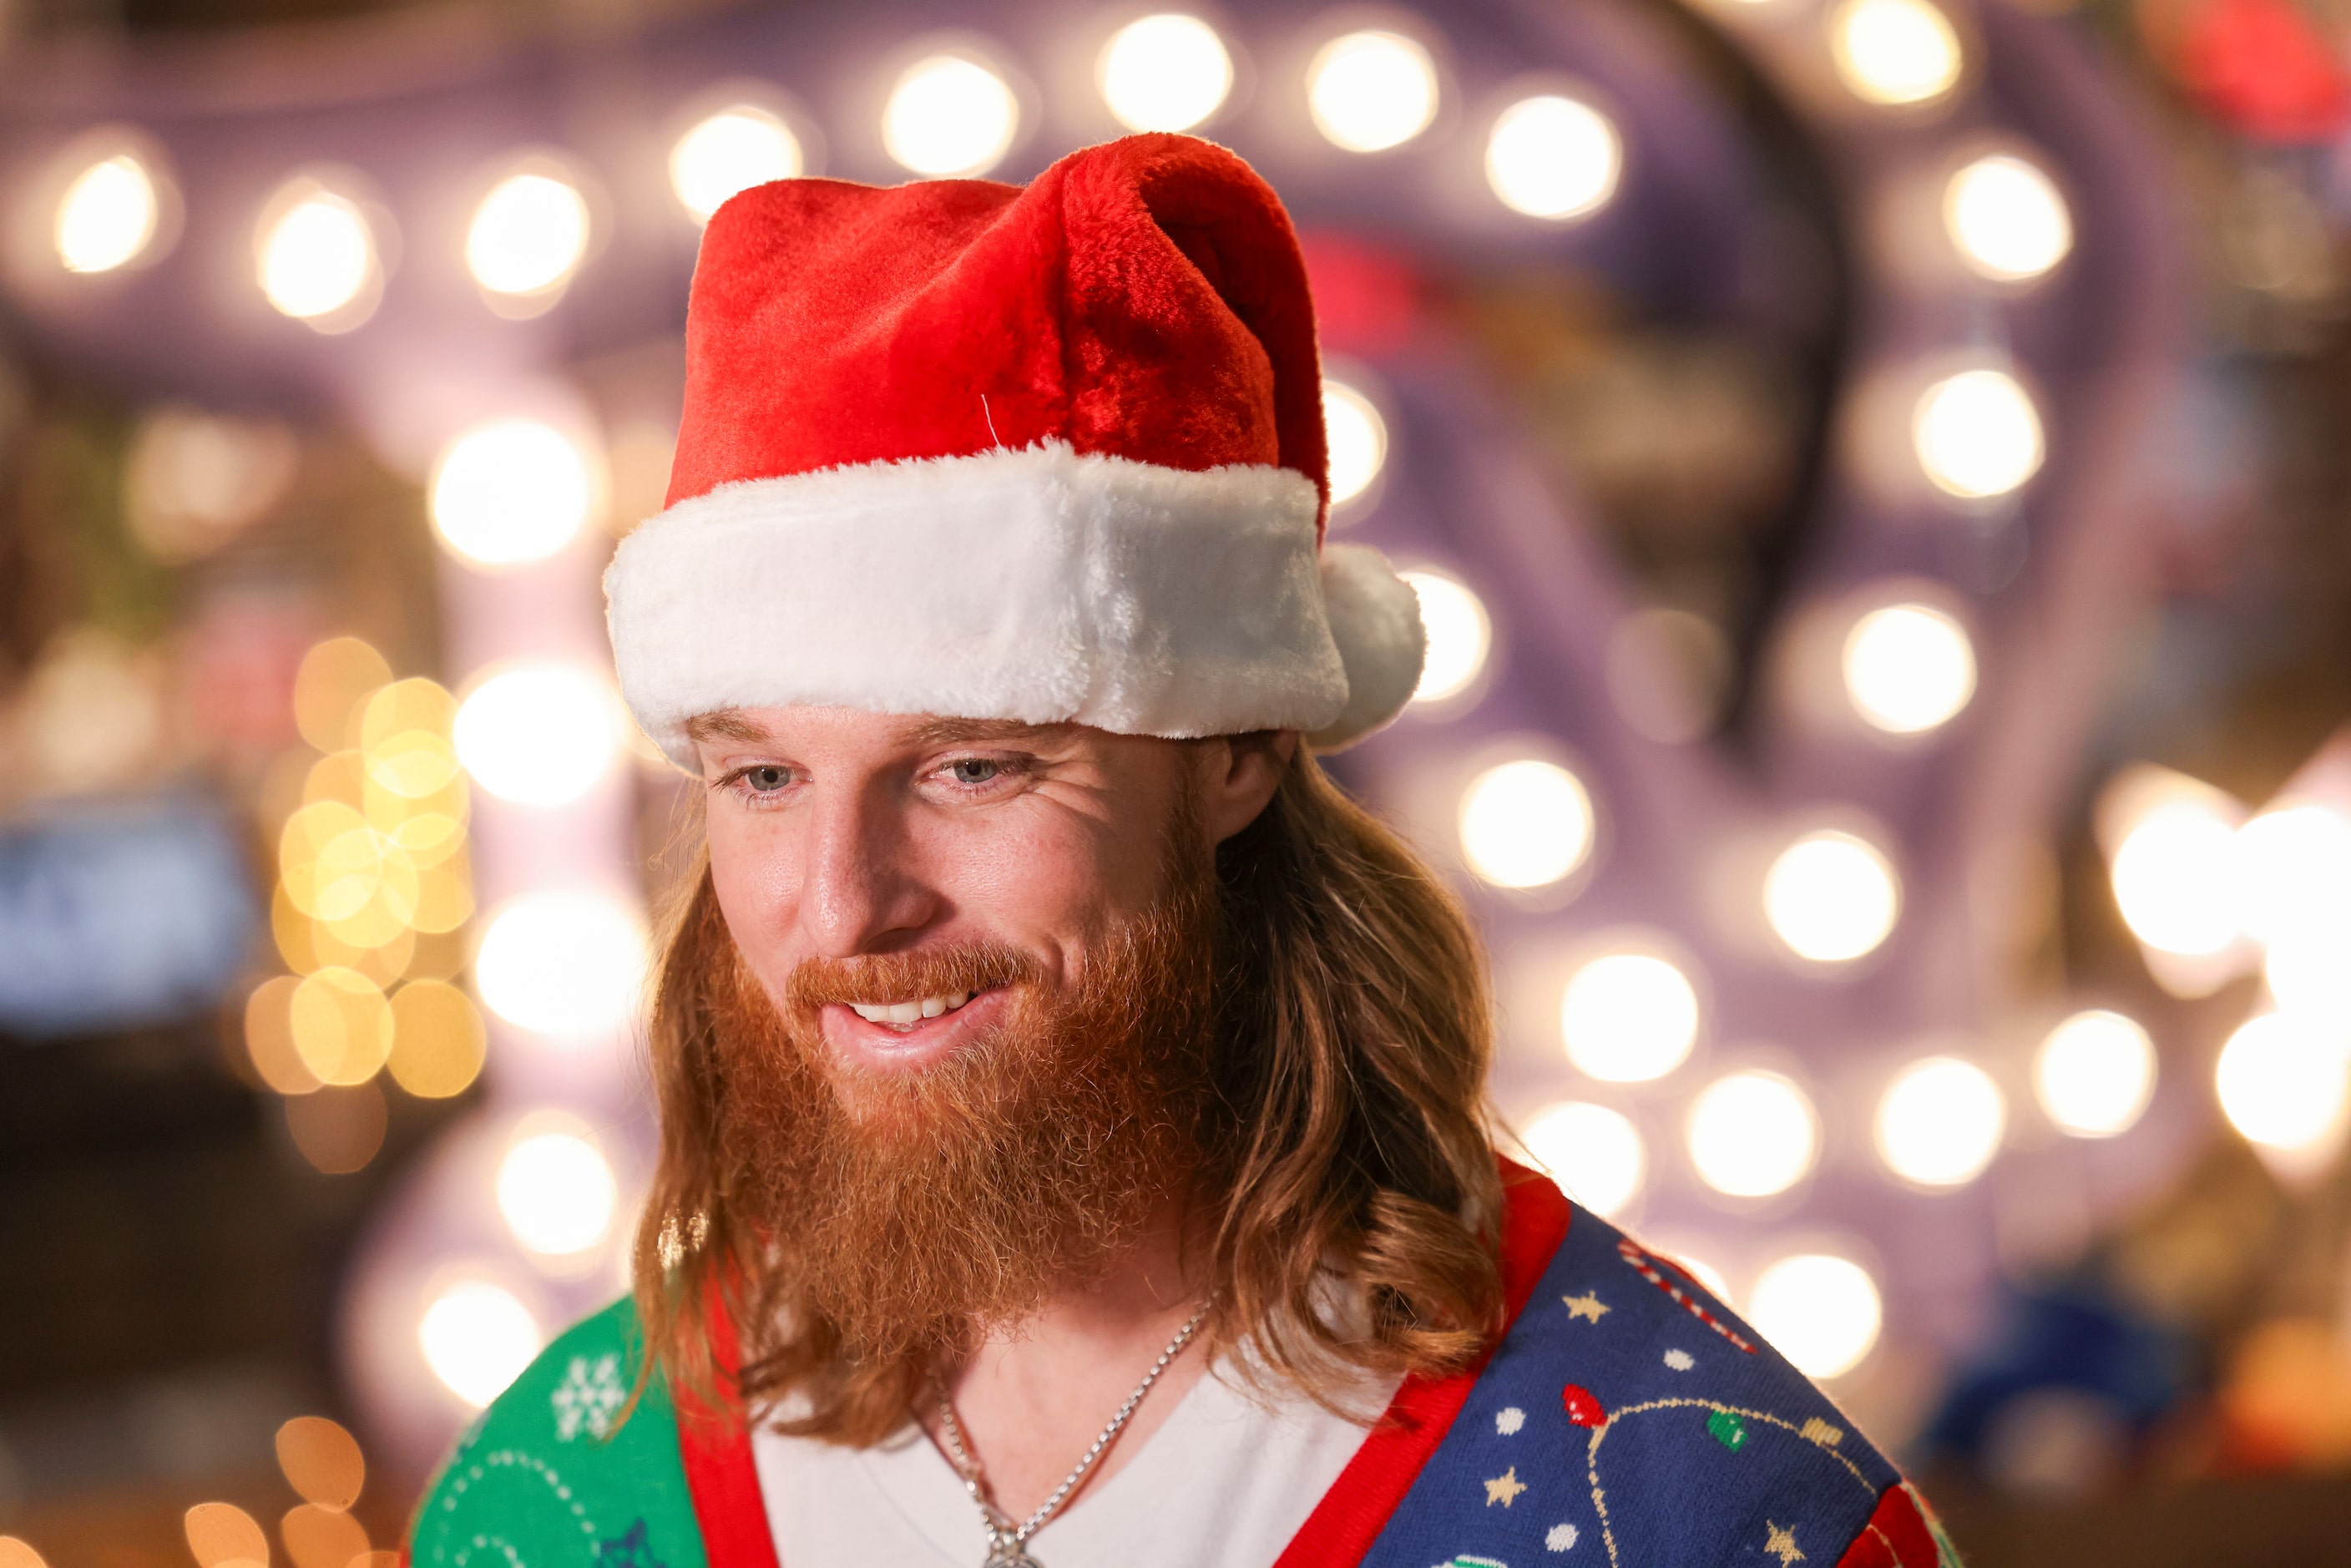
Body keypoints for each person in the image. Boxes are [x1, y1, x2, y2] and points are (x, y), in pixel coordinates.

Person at [408, 133, 1957, 1568]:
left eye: (970, 764)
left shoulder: (1679, 1502)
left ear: (1235, 751)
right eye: (759, 773)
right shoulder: (556, 1498)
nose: (840, 907)